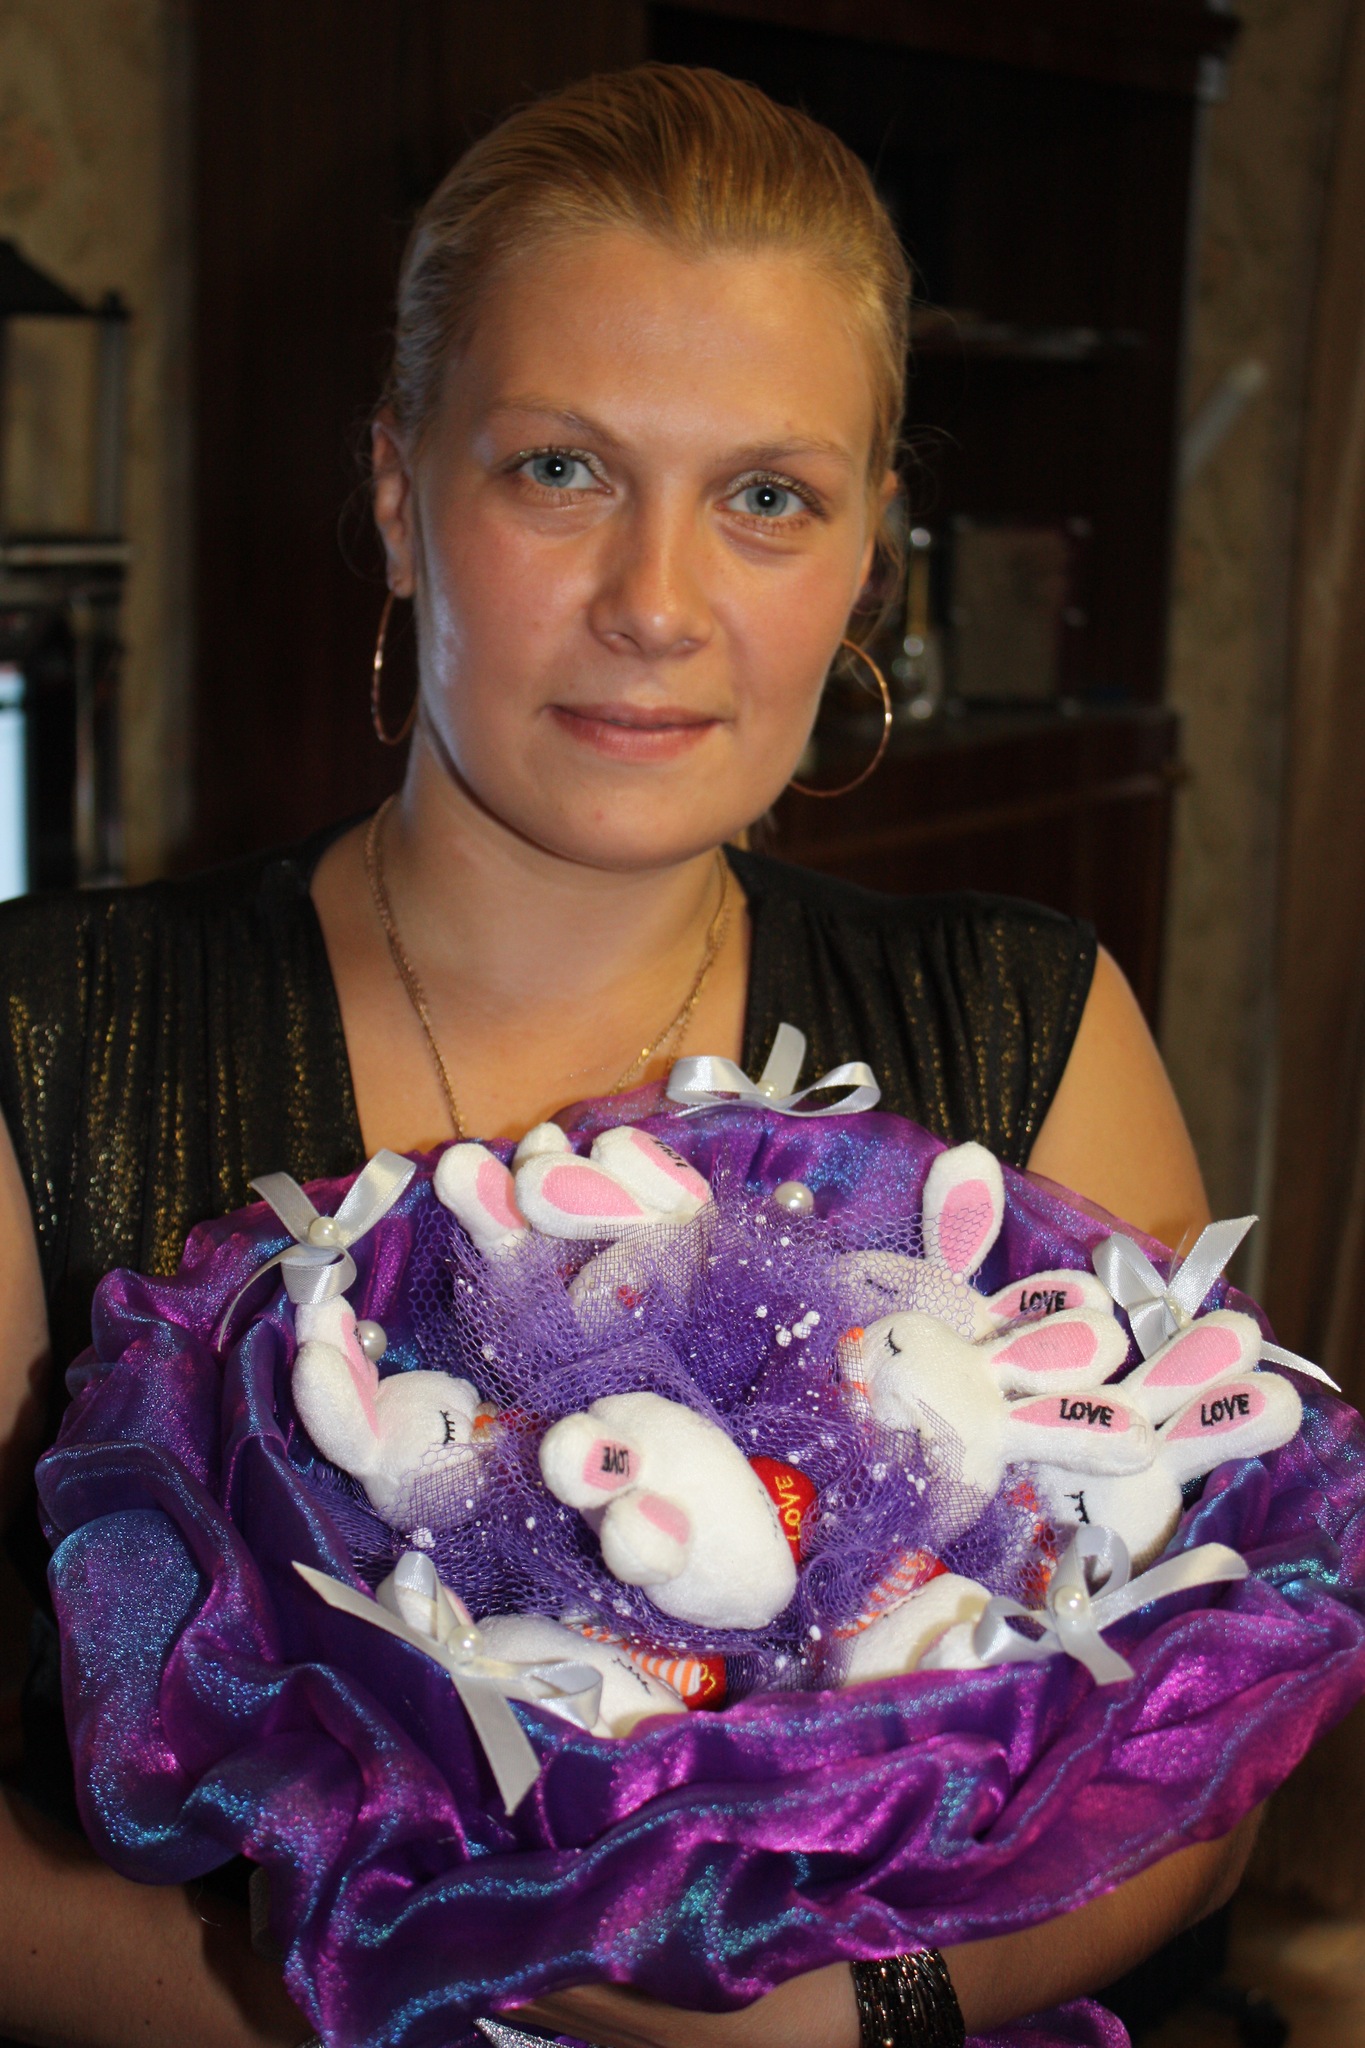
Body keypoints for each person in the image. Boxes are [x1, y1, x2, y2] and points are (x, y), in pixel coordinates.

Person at [0, 63, 1253, 2048]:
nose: (655, 604)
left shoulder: (1028, 1027)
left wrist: (847, 2024)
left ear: (867, 557)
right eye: (560, 469)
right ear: (398, 495)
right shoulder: (53, 1042)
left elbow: (1200, 1742)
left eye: (765, 497)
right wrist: (432, 1993)